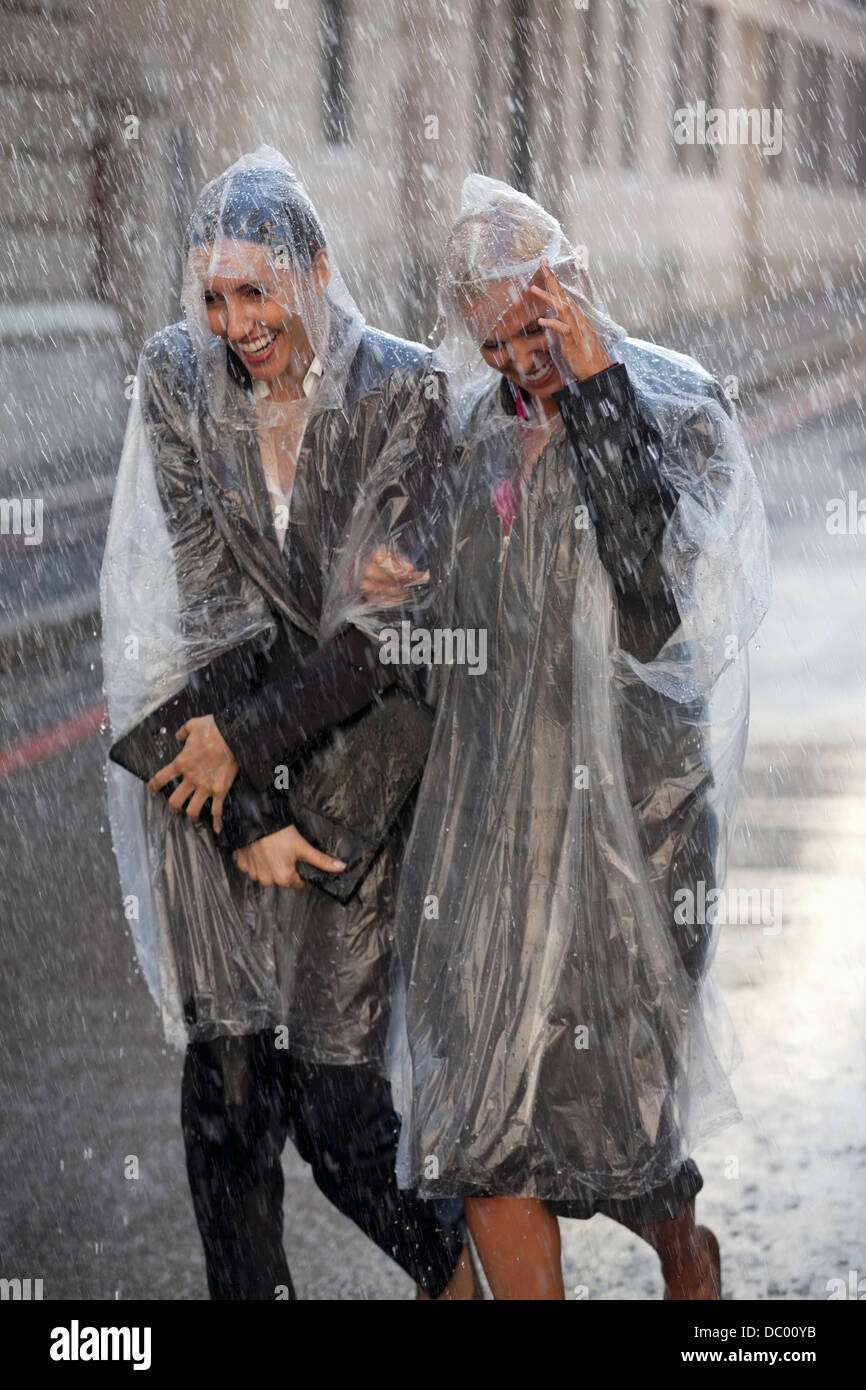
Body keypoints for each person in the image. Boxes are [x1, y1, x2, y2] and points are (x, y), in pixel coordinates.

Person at [375, 176, 771, 1300]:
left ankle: (684, 1259)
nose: (515, 360)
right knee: (483, 1120)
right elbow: (445, 639)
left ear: (574, 285)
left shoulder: (676, 405)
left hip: (628, 828)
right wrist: (395, 591)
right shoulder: (464, 438)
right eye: (492, 338)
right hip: (487, 829)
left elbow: (649, 591)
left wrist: (595, 384)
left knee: (616, 1117)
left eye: (534, 324)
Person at [101, 148, 473, 1300]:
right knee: (226, 1099)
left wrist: (244, 748)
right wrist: (240, 800)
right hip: (216, 765)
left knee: (336, 1112)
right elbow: (205, 605)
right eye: (212, 296)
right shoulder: (175, 378)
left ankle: (451, 1268)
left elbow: (381, 642)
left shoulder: (402, 392)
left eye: (256, 291)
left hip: (352, 770)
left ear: (317, 270)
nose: (234, 323)